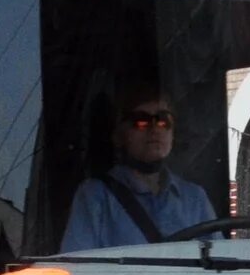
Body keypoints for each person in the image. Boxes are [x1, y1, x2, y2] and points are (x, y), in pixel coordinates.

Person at [60, 88, 217, 250]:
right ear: (119, 135)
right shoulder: (95, 196)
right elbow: (78, 266)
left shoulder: (195, 198)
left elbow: (218, 264)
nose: (155, 129)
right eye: (141, 122)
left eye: (164, 120)